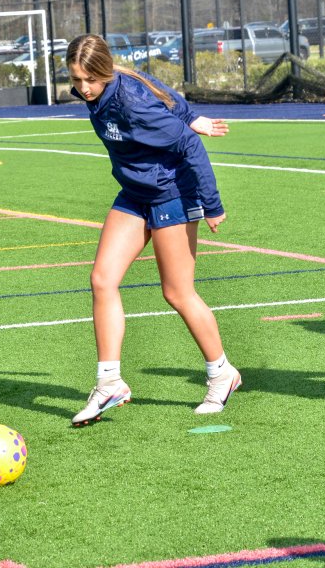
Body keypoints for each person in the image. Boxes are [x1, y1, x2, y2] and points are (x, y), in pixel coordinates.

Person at [66, 34, 241, 426]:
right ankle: (109, 383)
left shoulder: (130, 103)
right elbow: (159, 89)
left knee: (177, 292)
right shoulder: (109, 87)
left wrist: (211, 204)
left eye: (89, 79)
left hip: (173, 193)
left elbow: (189, 146)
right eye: (76, 79)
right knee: (102, 280)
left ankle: (222, 373)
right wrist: (189, 113)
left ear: (105, 72)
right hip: (135, 192)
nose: (83, 88)